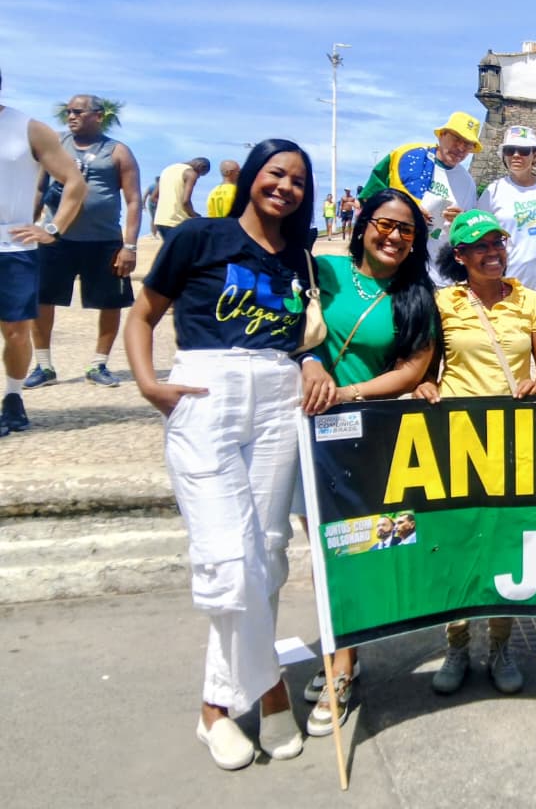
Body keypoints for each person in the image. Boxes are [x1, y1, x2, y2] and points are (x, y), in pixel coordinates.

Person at [123, 139, 316, 770]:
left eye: (295, 180)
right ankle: (269, 691)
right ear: (253, 175)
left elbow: (299, 333)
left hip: (277, 398)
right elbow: (143, 312)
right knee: (229, 559)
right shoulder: (199, 237)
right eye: (275, 174)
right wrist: (150, 384)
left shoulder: (298, 255)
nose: (284, 187)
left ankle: (213, 709)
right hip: (208, 391)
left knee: (265, 554)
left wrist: (309, 361)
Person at [294, 187, 441, 737]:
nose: (395, 236)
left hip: (362, 433)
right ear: (362, 224)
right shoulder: (324, 272)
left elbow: (411, 370)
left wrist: (347, 395)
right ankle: (341, 648)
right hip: (300, 426)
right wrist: (311, 365)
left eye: (407, 231)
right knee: (321, 552)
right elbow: (286, 328)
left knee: (349, 550)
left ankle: (342, 664)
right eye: (386, 224)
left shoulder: (416, 294)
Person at [417, 209, 536, 696]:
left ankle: (500, 644)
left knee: (503, 543)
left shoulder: (531, 300)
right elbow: (426, 366)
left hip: (513, 439)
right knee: (455, 542)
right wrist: (423, 388)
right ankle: (457, 643)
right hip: (457, 438)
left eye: (498, 242)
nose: (493, 251)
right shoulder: (443, 303)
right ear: (460, 255)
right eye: (480, 246)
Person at [26, 94, 141, 390]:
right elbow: (39, 188)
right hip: (55, 239)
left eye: (78, 111)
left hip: (104, 241)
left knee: (110, 303)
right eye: (68, 112)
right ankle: (44, 365)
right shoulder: (55, 143)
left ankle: (98, 364)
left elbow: (132, 200)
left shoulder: (117, 151)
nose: (71, 116)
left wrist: (129, 246)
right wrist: (29, 228)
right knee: (42, 299)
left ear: (98, 115)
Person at [0, 77, 86, 436]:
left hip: (13, 247)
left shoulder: (29, 128)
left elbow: (74, 181)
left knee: (16, 332)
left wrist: (52, 229)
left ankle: (13, 398)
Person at [477, 126, 536, 374]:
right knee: (505, 364)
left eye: (523, 150)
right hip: (505, 290)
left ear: (535, 156)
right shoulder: (493, 191)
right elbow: (479, 236)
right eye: (510, 151)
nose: (516, 155)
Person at [359, 111, 485, 283]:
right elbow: (369, 198)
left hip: (437, 275)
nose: (461, 148)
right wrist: (406, 211)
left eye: (468, 144)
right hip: (394, 265)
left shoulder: (467, 182)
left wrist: (460, 220)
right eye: (456, 138)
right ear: (442, 135)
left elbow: (468, 232)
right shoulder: (406, 157)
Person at [153, 157, 211, 239]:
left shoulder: (167, 170)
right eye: (201, 174)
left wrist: (167, 206)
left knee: (173, 251)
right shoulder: (191, 173)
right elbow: (186, 202)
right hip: (176, 222)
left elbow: (154, 197)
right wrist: (195, 216)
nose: (198, 177)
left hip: (160, 221)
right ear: (201, 166)